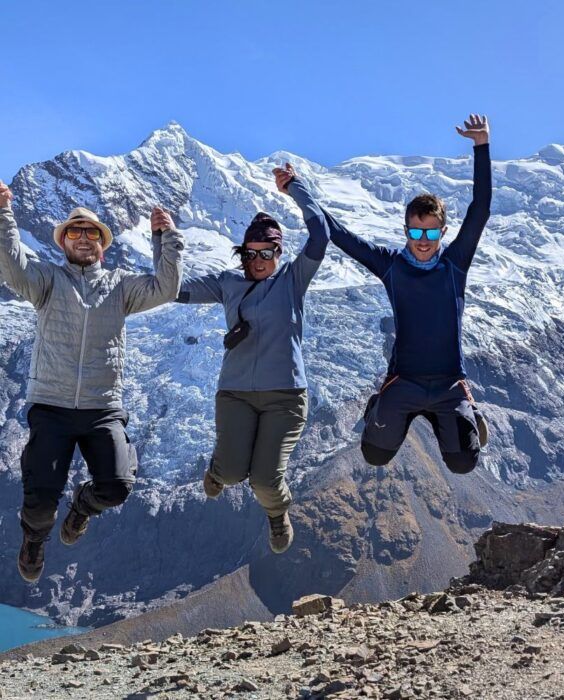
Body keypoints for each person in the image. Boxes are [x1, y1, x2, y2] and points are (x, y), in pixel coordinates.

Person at [279, 114, 492, 475]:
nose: (423, 243)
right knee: (374, 455)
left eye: (431, 234)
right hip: (403, 381)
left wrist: (482, 145)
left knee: (462, 463)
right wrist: (296, 188)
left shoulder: (455, 265)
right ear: (406, 230)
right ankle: (380, 403)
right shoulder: (391, 265)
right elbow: (337, 232)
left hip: (449, 386)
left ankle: (470, 413)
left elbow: (481, 208)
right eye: (416, 233)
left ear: (443, 232)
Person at [0, 180, 184, 583]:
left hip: (103, 407)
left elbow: (166, 288)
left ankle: (82, 507)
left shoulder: (119, 286)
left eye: (92, 233)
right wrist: (2, 213)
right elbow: (12, 266)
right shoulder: (47, 281)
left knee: (117, 486)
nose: (83, 238)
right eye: (75, 232)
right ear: (64, 241)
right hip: (52, 406)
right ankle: (35, 539)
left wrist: (165, 239)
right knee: (39, 500)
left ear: (103, 243)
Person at [176, 167, 329, 554]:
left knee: (265, 480)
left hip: (285, 397)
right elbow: (174, 291)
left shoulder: (293, 280)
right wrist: (164, 243)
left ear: (278, 253)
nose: (258, 260)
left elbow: (322, 235)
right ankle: (217, 470)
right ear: (242, 252)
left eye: (267, 253)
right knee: (228, 474)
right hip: (236, 394)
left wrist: (295, 188)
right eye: (251, 253)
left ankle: (277, 515)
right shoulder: (228, 283)